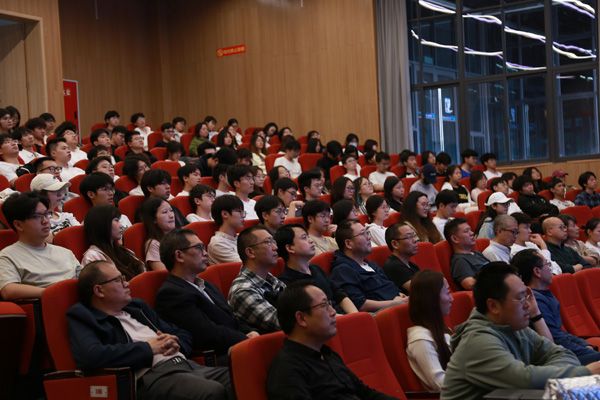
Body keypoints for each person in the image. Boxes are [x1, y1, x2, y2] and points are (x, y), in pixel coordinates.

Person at [67, 260, 233, 400]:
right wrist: (149, 348)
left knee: (239, 378)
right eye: (118, 280)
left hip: (187, 365)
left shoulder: (137, 307)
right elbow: (91, 356)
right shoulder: (83, 316)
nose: (126, 283)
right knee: (212, 391)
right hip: (152, 377)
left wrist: (174, 342)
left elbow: (182, 333)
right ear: (99, 290)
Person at [442, 262, 597, 400]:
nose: (528, 305)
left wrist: (540, 374)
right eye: (521, 298)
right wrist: (586, 372)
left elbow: (563, 354)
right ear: (493, 306)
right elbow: (524, 380)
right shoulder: (477, 341)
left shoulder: (514, 326)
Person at [266, 281, 398, 400]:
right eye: (324, 305)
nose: (333, 312)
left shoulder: (327, 354)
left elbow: (365, 393)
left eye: (329, 304)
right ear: (301, 318)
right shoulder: (287, 371)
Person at [155, 229, 258, 360]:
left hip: (237, 344)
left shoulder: (207, 285)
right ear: (179, 256)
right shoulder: (171, 294)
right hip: (217, 355)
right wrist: (246, 339)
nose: (205, 253)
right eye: (199, 248)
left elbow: (232, 318)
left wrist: (251, 332)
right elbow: (206, 333)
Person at [513, 249, 600, 364]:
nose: (551, 269)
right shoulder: (535, 300)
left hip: (565, 350)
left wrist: (585, 345)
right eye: (548, 265)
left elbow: (560, 332)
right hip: (557, 358)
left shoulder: (544, 293)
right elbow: (555, 339)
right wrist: (585, 349)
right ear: (537, 271)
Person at [0, 192, 80, 300]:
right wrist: (54, 293)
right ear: (18, 225)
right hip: (50, 305)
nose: (45, 221)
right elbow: (8, 290)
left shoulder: (66, 252)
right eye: (37, 216)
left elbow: (86, 281)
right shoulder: (7, 256)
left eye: (46, 214)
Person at [275, 224, 358, 314]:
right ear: (290, 248)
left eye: (308, 237)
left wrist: (355, 315)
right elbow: (315, 315)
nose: (311, 241)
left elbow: (340, 295)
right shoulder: (287, 284)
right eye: (304, 238)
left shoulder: (316, 269)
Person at [329, 219, 407, 312]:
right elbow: (359, 304)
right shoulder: (342, 270)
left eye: (367, 233)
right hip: (381, 314)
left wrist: (399, 294)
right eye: (363, 234)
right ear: (348, 243)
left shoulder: (371, 264)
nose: (368, 237)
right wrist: (393, 303)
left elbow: (389, 285)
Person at [228, 225, 286, 333]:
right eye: (268, 242)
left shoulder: (270, 278)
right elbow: (284, 324)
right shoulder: (243, 290)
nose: (275, 247)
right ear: (250, 252)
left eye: (273, 241)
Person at [407, 270, 452, 392]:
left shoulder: (442, 330)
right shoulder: (421, 339)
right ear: (432, 299)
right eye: (448, 293)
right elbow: (440, 384)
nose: (451, 299)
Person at [81, 205, 145, 279]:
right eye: (116, 220)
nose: (121, 226)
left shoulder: (124, 251)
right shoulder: (92, 257)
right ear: (102, 224)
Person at [444, 218, 489, 290]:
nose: (472, 233)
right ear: (455, 239)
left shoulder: (476, 253)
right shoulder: (460, 260)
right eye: (466, 231)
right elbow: (469, 284)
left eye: (470, 230)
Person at [207, 194, 245, 264]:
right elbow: (248, 265)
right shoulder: (218, 244)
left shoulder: (241, 237)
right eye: (239, 211)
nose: (243, 216)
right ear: (225, 214)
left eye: (243, 212)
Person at [383, 222, 420, 293]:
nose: (415, 240)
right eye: (409, 237)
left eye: (414, 236)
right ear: (395, 244)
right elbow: (422, 290)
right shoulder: (393, 266)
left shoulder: (411, 265)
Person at [140, 197, 176, 270]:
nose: (171, 216)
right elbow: (162, 273)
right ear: (154, 219)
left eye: (171, 210)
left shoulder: (180, 236)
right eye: (165, 212)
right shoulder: (153, 244)